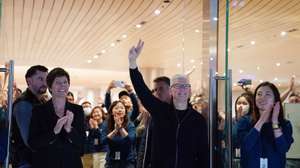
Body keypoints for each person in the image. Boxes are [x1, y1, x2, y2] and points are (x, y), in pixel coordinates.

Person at [128, 40, 208, 168]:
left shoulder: (198, 120)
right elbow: (142, 91)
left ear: (189, 90)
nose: (182, 89)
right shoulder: (160, 111)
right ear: (171, 90)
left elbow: (203, 154)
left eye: (185, 86)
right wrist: (133, 64)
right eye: (177, 86)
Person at [28, 67, 85, 168]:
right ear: (50, 87)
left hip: (72, 163)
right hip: (46, 163)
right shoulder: (39, 110)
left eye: (65, 82)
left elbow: (82, 146)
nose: (62, 85)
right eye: (58, 83)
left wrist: (69, 129)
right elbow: (33, 143)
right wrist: (54, 131)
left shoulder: (77, 110)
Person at [238, 82, 294, 168]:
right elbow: (246, 146)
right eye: (259, 94)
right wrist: (262, 120)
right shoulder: (245, 121)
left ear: (275, 99)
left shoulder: (285, 124)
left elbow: (283, 149)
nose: (262, 98)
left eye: (267, 94)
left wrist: (275, 122)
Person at [11, 65, 48, 168]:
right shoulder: (24, 104)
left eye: (46, 79)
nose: (45, 83)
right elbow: (29, 140)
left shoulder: (41, 101)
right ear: (29, 81)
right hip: (26, 161)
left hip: (37, 159)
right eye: (40, 79)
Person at [101, 101, 136, 168]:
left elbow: (130, 141)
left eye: (122, 108)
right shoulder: (106, 124)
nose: (119, 110)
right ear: (111, 112)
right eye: (116, 108)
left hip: (127, 161)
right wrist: (115, 130)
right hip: (111, 161)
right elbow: (103, 141)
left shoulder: (130, 124)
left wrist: (120, 128)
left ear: (125, 112)